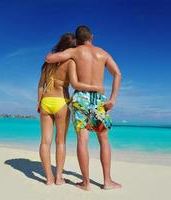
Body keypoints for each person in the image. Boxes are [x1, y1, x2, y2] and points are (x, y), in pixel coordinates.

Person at [45, 25, 122, 190]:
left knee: (82, 139)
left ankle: (86, 183)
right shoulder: (103, 53)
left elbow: (49, 59)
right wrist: (112, 99)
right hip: (99, 99)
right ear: (92, 37)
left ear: (77, 39)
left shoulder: (75, 52)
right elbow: (118, 74)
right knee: (103, 139)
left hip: (81, 97)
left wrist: (59, 50)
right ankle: (107, 181)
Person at [37, 32, 103, 185]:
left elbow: (40, 85)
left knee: (45, 142)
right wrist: (95, 87)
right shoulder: (70, 62)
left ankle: (48, 178)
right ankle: (59, 177)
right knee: (61, 142)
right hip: (61, 101)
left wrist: (38, 102)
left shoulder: (48, 63)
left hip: (46, 101)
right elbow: (75, 84)